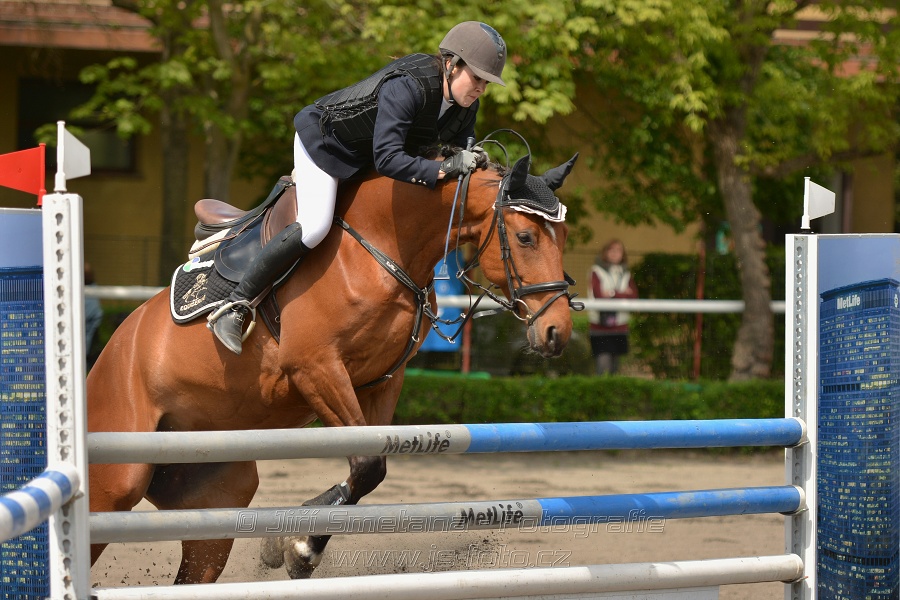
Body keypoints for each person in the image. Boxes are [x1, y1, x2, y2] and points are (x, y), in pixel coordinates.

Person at [209, 21, 507, 354]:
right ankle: (235, 305)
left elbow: (457, 144)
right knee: (315, 226)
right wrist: (446, 167)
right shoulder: (409, 86)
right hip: (326, 146)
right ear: (451, 65)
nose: (481, 87)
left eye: (486, 82)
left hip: (368, 160)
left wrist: (471, 155)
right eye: (478, 78)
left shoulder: (466, 105)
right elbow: (390, 158)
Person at [588, 239, 638, 375]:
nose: (616, 254)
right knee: (603, 365)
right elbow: (599, 295)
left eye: (619, 250)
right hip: (600, 326)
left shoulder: (626, 273)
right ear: (605, 252)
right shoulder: (596, 271)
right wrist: (622, 293)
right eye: (612, 250)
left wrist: (611, 293)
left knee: (615, 367)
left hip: (620, 325)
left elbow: (633, 296)